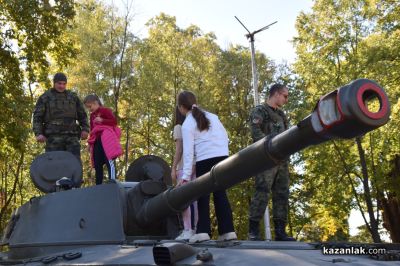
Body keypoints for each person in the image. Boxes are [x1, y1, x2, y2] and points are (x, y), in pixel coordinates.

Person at [177, 90, 237, 243]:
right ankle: (228, 231)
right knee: (220, 193)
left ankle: (203, 231)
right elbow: (225, 136)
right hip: (222, 156)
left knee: (202, 195)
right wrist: (223, 155)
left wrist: (185, 178)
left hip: (205, 159)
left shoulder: (187, 124)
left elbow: (189, 153)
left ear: (181, 107)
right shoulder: (213, 117)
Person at [247, 83, 295, 241]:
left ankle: (280, 232)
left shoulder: (281, 115)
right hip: (266, 159)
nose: (286, 99)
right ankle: (253, 231)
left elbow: (288, 135)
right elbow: (255, 132)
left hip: (282, 160)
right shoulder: (260, 111)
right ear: (276, 94)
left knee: (282, 194)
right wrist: (269, 145)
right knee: (262, 191)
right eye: (285, 96)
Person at [32, 73, 89, 162]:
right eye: (59, 83)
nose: (62, 86)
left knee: (74, 165)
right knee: (55, 165)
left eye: (64, 84)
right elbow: (37, 117)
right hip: (53, 138)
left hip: (72, 137)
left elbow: (82, 115)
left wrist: (85, 129)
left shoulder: (73, 97)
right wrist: (38, 133)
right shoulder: (45, 97)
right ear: (54, 83)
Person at [171, 106, 198, 241]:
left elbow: (179, 149)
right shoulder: (196, 124)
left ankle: (188, 230)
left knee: (184, 200)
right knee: (195, 200)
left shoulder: (178, 127)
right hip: (196, 164)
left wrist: (174, 167)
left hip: (184, 167)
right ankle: (196, 228)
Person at [84, 94, 122, 185]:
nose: (90, 109)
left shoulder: (105, 110)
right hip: (97, 141)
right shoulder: (92, 115)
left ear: (96, 102)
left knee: (109, 159)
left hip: (106, 139)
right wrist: (90, 143)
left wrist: (102, 120)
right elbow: (92, 130)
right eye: (88, 108)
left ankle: (112, 180)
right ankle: (98, 184)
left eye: (90, 106)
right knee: (97, 163)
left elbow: (114, 122)